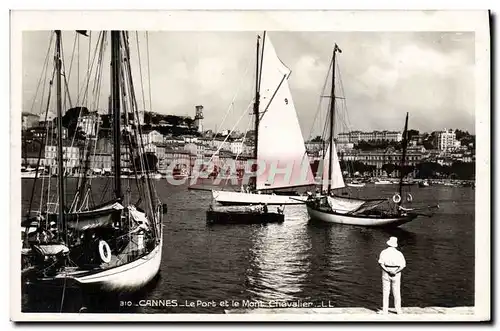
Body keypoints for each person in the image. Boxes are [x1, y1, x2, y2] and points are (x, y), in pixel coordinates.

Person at [378, 236, 406, 314]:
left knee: (386, 292)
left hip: (386, 272)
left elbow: (381, 263)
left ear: (388, 244)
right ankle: (398, 310)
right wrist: (395, 272)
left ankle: (385, 310)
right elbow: (403, 265)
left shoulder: (384, 252)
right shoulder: (399, 253)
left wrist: (387, 270)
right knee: (397, 292)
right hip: (396, 272)